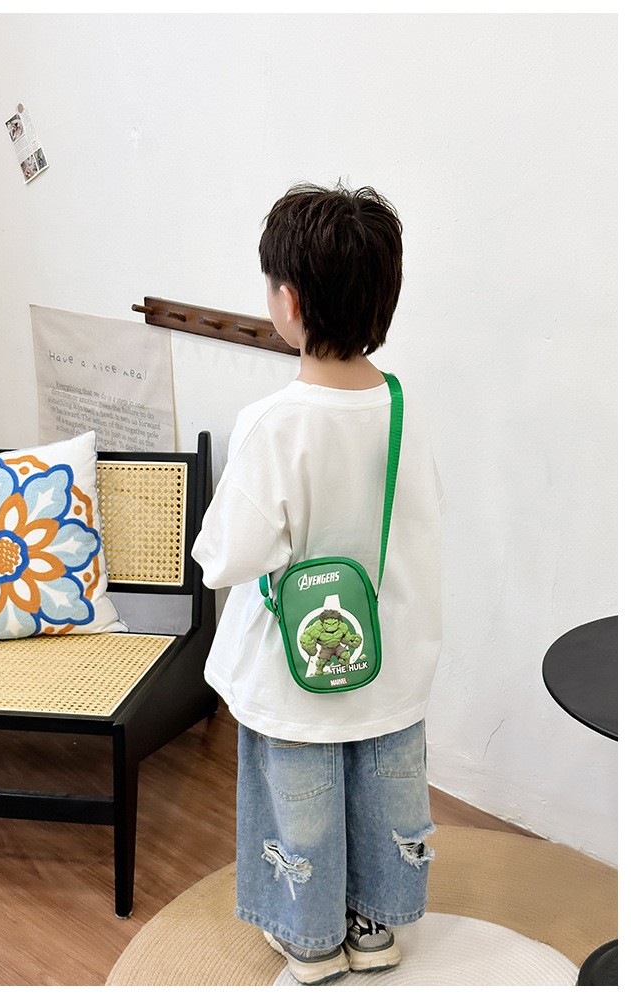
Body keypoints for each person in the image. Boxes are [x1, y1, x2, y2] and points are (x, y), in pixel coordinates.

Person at [192, 183, 444, 985]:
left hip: (293, 670)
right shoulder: (402, 408)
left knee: (297, 795)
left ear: (289, 301)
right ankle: (374, 923)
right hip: (387, 657)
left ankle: (310, 939)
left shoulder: (274, 421)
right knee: (383, 787)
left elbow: (225, 559)